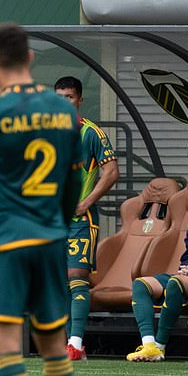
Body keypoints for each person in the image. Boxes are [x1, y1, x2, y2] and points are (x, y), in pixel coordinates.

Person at [0, 22, 82, 376]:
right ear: (29, 57)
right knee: (54, 349)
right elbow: (73, 179)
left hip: (3, 236)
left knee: (6, 342)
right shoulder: (62, 108)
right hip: (49, 235)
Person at [54, 76, 119, 360]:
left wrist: (87, 201)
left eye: (69, 97)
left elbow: (112, 172)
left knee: (76, 277)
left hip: (80, 220)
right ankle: (67, 343)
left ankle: (76, 343)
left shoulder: (91, 133)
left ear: (79, 100)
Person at [127, 184, 188, 362]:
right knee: (141, 284)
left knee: (176, 283)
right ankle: (149, 345)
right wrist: (186, 267)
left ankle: (160, 346)